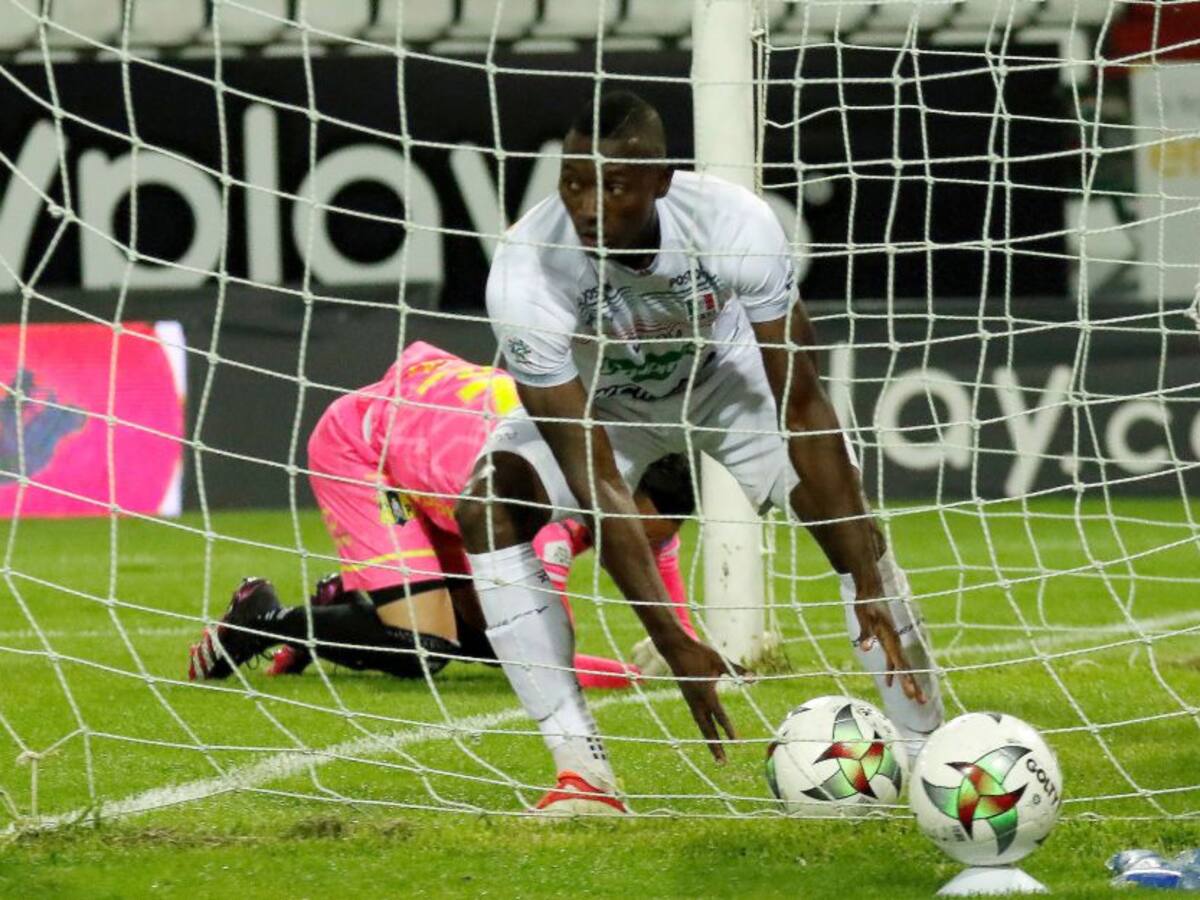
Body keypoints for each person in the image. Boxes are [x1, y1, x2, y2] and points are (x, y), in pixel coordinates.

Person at [457, 89, 944, 815]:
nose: (587, 206)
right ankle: (580, 770)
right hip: (609, 407)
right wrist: (672, 638)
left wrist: (868, 572)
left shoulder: (732, 222)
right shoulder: (527, 272)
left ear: (660, 180)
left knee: (853, 535)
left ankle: (928, 754)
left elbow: (804, 405)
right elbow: (595, 480)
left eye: (612, 186)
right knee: (488, 505)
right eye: (572, 183)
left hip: (726, 382)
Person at [186, 341, 697, 687]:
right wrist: (632, 676)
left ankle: (346, 605)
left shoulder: (609, 461)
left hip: (444, 470)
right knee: (425, 648)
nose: (627, 543)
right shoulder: (547, 502)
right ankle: (266, 617)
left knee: (477, 634)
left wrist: (693, 652)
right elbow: (542, 660)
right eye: (622, 530)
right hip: (367, 451)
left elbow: (661, 557)